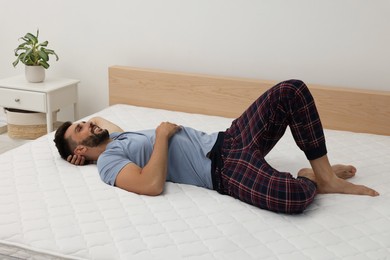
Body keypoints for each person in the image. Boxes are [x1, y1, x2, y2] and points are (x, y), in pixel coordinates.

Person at [54, 79, 379, 214]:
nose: (89, 124)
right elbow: (150, 185)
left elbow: (101, 119)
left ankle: (326, 176)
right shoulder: (110, 162)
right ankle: (308, 177)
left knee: (290, 90)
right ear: (79, 152)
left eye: (84, 121)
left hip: (231, 138)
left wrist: (85, 130)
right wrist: (163, 135)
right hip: (223, 170)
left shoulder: (117, 138)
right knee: (293, 198)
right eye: (80, 129)